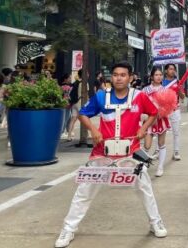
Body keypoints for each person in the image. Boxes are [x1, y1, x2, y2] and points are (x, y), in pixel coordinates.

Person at [54, 62, 167, 248]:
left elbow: (154, 113)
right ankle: (68, 228)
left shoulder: (139, 97)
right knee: (84, 191)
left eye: (123, 75)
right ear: (111, 77)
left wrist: (143, 129)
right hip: (102, 153)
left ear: (130, 78)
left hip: (130, 153)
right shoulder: (101, 96)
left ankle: (156, 222)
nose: (119, 78)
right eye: (115, 74)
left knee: (145, 188)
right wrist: (93, 130)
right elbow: (83, 114)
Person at [143, 66, 172, 177]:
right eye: (156, 75)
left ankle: (160, 167)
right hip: (148, 120)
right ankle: (144, 164)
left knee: (161, 144)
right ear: (151, 77)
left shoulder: (165, 90)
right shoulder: (145, 90)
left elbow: (170, 106)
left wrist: (162, 111)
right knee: (147, 145)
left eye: (160, 75)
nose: (159, 77)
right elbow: (140, 104)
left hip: (161, 120)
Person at [162, 63, 185, 161]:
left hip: (175, 110)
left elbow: (183, 96)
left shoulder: (178, 82)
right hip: (164, 110)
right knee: (162, 132)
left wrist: (179, 90)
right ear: (166, 70)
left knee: (176, 132)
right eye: (170, 69)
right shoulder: (162, 82)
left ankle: (176, 152)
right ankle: (159, 150)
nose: (172, 71)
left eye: (173, 69)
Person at [66, 70, 83, 142]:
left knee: (73, 119)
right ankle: (87, 134)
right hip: (80, 102)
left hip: (74, 103)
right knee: (84, 118)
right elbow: (85, 95)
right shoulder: (84, 83)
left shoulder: (75, 82)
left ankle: (69, 136)